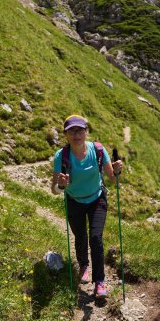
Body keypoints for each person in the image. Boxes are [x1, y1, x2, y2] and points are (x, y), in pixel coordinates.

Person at [52, 115, 122, 298]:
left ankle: (99, 282)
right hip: (74, 201)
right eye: (72, 131)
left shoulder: (98, 150)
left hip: (97, 199)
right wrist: (61, 185)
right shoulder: (61, 156)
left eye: (80, 130)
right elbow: (54, 190)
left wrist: (117, 171)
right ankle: (83, 265)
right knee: (80, 235)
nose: (77, 134)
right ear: (66, 134)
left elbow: (113, 179)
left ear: (86, 132)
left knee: (96, 238)